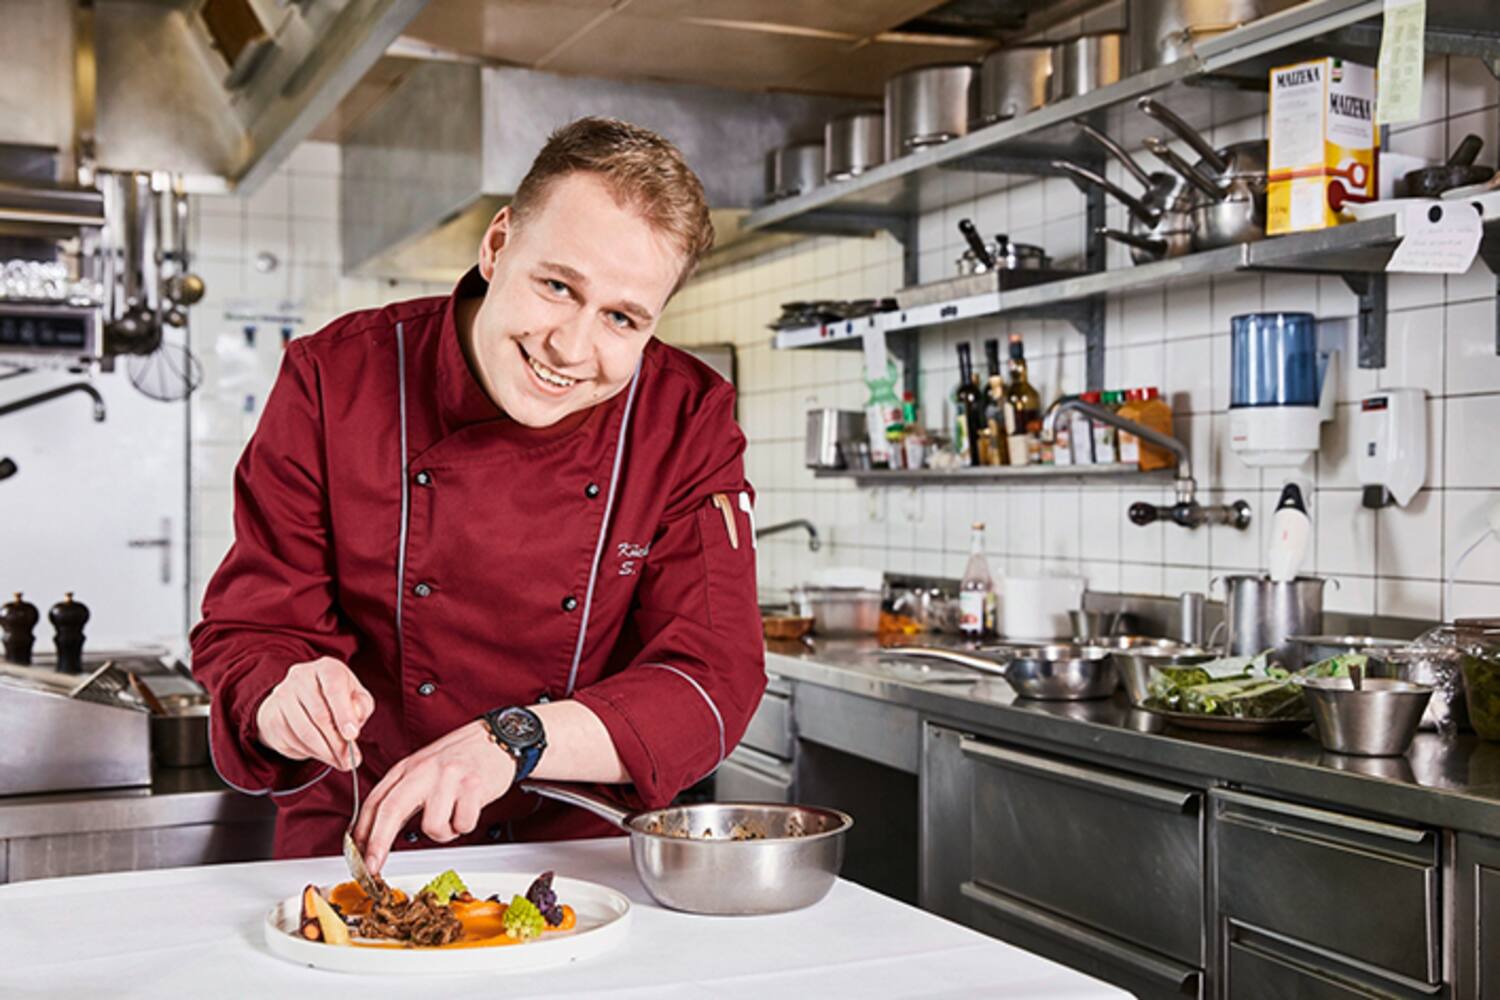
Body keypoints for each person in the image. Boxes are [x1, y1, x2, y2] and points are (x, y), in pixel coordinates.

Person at [191, 117, 764, 874]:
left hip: (573, 866)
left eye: (622, 318)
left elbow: (713, 677)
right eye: (557, 286)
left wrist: (512, 739)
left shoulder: (684, 419)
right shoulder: (335, 380)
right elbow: (251, 630)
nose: (570, 348)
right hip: (361, 844)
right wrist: (282, 695)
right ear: (497, 246)